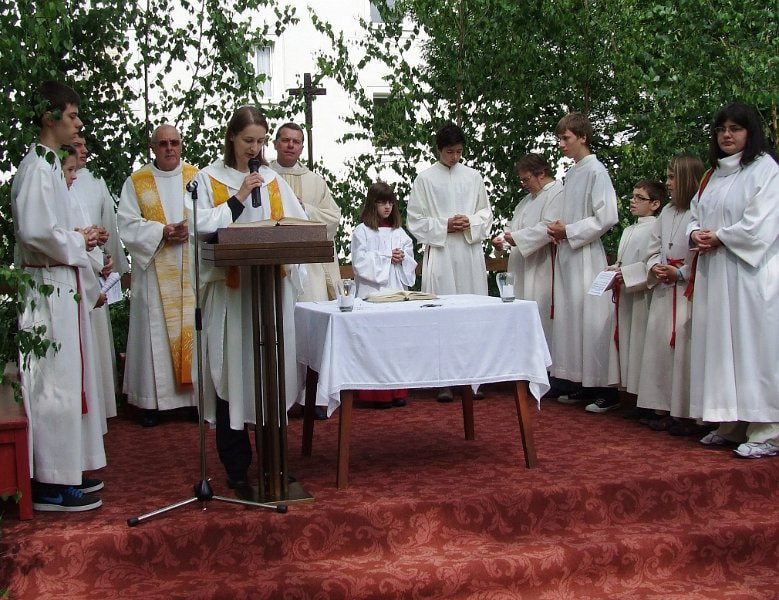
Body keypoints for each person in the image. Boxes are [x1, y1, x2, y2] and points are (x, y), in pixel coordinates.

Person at [189, 106, 308, 490]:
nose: (255, 149)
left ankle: (274, 459)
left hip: (269, 291)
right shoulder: (208, 179)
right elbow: (197, 226)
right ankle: (237, 467)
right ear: (231, 138)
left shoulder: (273, 180)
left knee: (271, 374)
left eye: (260, 141)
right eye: (248, 141)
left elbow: (298, 224)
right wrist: (239, 196)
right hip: (232, 297)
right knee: (234, 375)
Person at [11, 81, 106, 512]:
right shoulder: (37, 167)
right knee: (52, 385)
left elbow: (51, 229)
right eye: (71, 115)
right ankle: (48, 482)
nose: (79, 123)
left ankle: (66, 470)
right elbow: (34, 232)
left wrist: (78, 237)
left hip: (59, 283)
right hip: (45, 289)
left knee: (68, 381)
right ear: (49, 118)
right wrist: (78, 240)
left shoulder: (51, 165)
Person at [687, 102, 779, 458]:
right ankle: (731, 421)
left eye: (735, 128)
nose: (726, 135)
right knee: (721, 349)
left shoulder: (765, 169)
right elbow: (695, 213)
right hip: (716, 273)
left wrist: (721, 236)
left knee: (753, 348)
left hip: (750, 276)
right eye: (721, 128)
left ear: (750, 132)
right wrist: (695, 233)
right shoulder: (713, 175)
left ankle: (769, 428)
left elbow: (762, 223)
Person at [407, 123, 493, 402]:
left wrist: (471, 221)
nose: (455, 157)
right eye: (449, 152)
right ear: (438, 149)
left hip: (469, 252)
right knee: (441, 313)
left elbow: (486, 214)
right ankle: (442, 380)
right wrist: (444, 224)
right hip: (441, 253)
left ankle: (474, 380)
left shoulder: (473, 177)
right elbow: (415, 221)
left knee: (471, 313)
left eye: (458, 151)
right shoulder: (424, 179)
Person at [117, 124, 197, 427]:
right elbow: (126, 223)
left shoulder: (196, 178)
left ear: (182, 144)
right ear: (153, 148)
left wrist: (191, 229)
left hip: (190, 268)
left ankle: (195, 401)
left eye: (174, 142)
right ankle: (151, 403)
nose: (169, 148)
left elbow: (213, 216)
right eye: (163, 144)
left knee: (193, 331)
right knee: (154, 334)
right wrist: (160, 231)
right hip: (154, 268)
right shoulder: (137, 182)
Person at [547, 112, 619, 405]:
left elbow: (607, 216)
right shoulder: (574, 172)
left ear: (583, 137)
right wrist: (559, 229)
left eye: (566, 138)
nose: (561, 144)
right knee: (572, 317)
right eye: (560, 139)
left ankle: (604, 388)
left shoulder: (596, 171)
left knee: (591, 318)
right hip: (569, 253)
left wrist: (570, 230)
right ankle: (581, 380)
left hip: (587, 254)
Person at [635, 155, 705, 432]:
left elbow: (701, 252)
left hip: (687, 290)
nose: (667, 183)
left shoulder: (698, 210)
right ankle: (664, 407)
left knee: (685, 352)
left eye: (672, 177)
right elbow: (653, 247)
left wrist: (682, 272)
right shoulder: (666, 212)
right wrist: (655, 266)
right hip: (665, 287)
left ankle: (688, 414)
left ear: (687, 178)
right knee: (662, 352)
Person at [588, 180, 663, 414]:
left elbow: (654, 262)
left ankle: (647, 401)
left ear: (655, 204)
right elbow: (626, 260)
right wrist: (615, 269)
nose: (633, 201)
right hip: (626, 296)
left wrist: (628, 274)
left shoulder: (656, 227)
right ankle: (631, 396)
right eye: (633, 196)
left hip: (643, 297)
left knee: (640, 345)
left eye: (640, 198)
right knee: (626, 344)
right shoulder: (630, 229)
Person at [69, 135, 126, 421]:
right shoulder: (56, 180)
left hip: (95, 271)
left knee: (99, 347)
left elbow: (107, 227)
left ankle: (102, 408)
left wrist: (107, 255)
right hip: (72, 274)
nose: (85, 151)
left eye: (84, 145)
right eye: (78, 145)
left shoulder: (94, 179)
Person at [351, 181, 417, 408]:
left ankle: (397, 390)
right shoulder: (362, 231)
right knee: (375, 342)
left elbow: (410, 259)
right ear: (372, 204)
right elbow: (360, 262)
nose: (387, 207)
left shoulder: (399, 232)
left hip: (396, 289)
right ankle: (376, 394)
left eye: (390, 202)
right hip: (372, 292)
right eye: (381, 203)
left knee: (396, 341)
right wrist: (387, 257)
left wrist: (403, 258)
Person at [492, 153, 563, 352]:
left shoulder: (557, 193)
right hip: (519, 266)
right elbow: (511, 229)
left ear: (541, 174)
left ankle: (544, 362)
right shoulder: (525, 201)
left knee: (540, 314)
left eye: (526, 179)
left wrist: (518, 238)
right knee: (519, 317)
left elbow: (549, 227)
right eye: (521, 180)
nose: (523, 184)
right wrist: (501, 243)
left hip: (542, 265)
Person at [270, 122, 342, 301]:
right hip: (271, 260)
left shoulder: (315, 182)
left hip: (309, 264)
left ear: (302, 148)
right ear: (275, 143)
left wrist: (305, 210)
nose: (290, 145)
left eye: (296, 142)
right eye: (285, 140)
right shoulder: (262, 178)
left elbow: (333, 218)